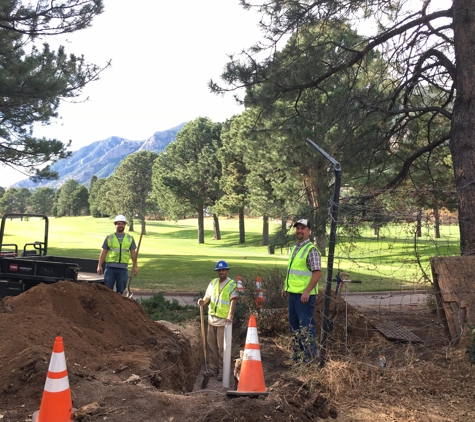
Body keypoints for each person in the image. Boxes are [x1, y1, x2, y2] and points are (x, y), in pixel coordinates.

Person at [281, 218, 322, 362]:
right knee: (295, 328)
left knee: (306, 328)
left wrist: (307, 291)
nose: (299, 231)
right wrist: (285, 287)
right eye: (297, 228)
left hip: (304, 297)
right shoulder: (295, 248)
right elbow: (293, 270)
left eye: (303, 228)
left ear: (309, 231)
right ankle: (298, 357)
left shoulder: (311, 250)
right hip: (293, 294)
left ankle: (310, 359)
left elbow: (317, 272)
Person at [197, 260, 238, 381]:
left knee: (222, 348)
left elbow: (233, 301)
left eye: (223, 270)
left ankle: (222, 371)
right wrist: (202, 302)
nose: (221, 272)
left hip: (223, 321)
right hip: (211, 319)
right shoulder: (213, 283)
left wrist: (230, 316)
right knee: (212, 346)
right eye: (219, 270)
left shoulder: (231, 284)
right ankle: (213, 369)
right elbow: (207, 297)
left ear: (227, 271)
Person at [97, 215, 138, 294]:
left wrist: (135, 266)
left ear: (125, 225)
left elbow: (133, 253)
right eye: (118, 223)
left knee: (121, 292)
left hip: (123, 269)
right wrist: (99, 265)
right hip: (110, 268)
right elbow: (104, 252)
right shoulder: (109, 237)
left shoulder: (130, 238)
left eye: (122, 224)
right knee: (107, 291)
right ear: (115, 225)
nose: (120, 225)